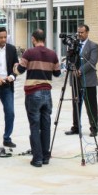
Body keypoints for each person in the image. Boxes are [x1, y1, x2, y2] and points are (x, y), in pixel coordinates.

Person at [14, 28, 61, 167]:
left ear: (33, 39)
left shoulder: (29, 52)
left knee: (34, 126)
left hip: (33, 92)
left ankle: (37, 159)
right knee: (46, 126)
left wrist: (14, 67)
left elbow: (20, 70)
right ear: (44, 39)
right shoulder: (52, 54)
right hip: (47, 93)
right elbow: (57, 73)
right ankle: (46, 157)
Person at [65, 24, 98, 137]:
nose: (79, 34)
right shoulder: (74, 45)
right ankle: (76, 127)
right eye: (78, 32)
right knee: (76, 103)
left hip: (88, 80)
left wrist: (80, 71)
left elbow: (92, 61)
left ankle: (94, 128)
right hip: (75, 80)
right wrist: (72, 68)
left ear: (87, 32)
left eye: (82, 32)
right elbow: (69, 59)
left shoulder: (93, 46)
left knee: (91, 105)